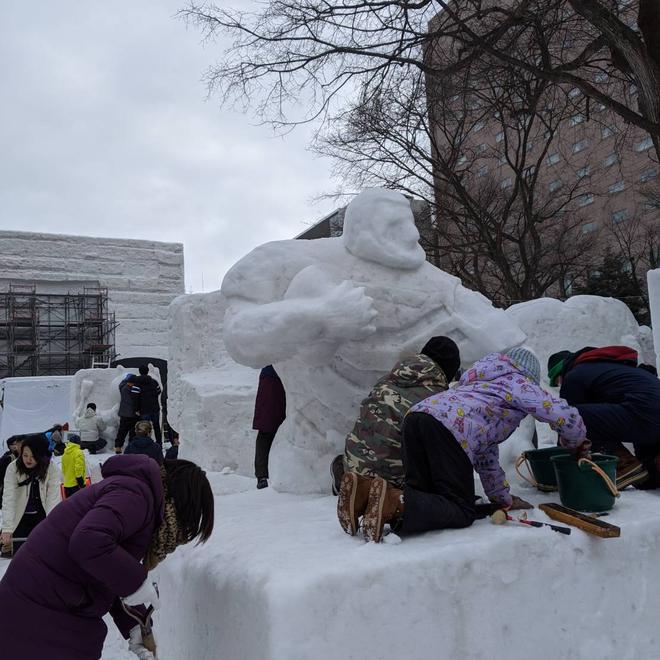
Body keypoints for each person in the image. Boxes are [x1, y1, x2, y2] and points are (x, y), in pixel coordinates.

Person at [358, 348, 590, 542]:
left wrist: (501, 499)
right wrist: (576, 444)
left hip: (417, 418)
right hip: (446, 427)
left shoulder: (476, 386)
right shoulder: (518, 381)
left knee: (423, 494)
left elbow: (485, 454)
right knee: (461, 509)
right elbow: (563, 414)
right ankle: (392, 502)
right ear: (528, 376)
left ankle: (366, 497)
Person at [0, 454, 214, 660]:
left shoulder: (136, 494)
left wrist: (134, 626)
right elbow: (88, 542)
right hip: (40, 610)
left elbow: (105, 571)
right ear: (184, 505)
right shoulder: (136, 494)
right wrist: (136, 583)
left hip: (47, 606)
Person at [337, 336, 460, 535]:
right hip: (392, 477)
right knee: (442, 499)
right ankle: (389, 499)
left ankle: (360, 490)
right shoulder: (439, 398)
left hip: (353, 463)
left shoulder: (388, 379)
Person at [548, 345, 660, 489]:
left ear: (561, 372)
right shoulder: (610, 368)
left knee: (573, 417)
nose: (560, 386)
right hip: (646, 413)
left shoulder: (574, 376)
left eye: (558, 382)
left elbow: (569, 423)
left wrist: (561, 460)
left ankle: (624, 466)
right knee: (647, 476)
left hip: (644, 414)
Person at [1, 435, 61, 555]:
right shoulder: (13, 468)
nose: (28, 460)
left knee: (43, 555)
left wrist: (51, 525)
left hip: (42, 518)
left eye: (33, 456)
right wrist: (7, 528)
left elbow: (53, 499)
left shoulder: (52, 469)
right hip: (20, 519)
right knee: (21, 557)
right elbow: (9, 498)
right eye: (25, 455)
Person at [252, 365, 286, 489]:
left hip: (285, 377)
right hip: (272, 378)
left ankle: (267, 474)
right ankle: (262, 476)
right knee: (267, 427)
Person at [115, 374, 142, 454]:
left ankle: (118, 447)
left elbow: (121, 383)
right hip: (132, 413)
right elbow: (134, 401)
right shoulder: (133, 390)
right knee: (132, 432)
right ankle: (131, 447)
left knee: (122, 431)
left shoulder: (122, 387)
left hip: (123, 413)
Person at [136, 365, 163, 444]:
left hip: (143, 409)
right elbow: (159, 391)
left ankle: (145, 443)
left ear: (140, 372)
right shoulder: (154, 381)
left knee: (144, 428)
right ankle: (159, 443)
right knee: (156, 426)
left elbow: (135, 395)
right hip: (154, 408)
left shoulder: (137, 383)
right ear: (148, 371)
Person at [61, 434, 88, 498]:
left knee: (70, 506)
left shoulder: (65, 454)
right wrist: (80, 480)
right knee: (80, 505)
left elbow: (63, 469)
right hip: (76, 485)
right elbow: (78, 467)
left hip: (67, 485)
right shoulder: (78, 452)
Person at [0, 436, 22, 509]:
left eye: (18, 443)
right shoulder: (7, 458)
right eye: (14, 444)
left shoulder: (19, 455)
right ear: (10, 446)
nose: (17, 446)